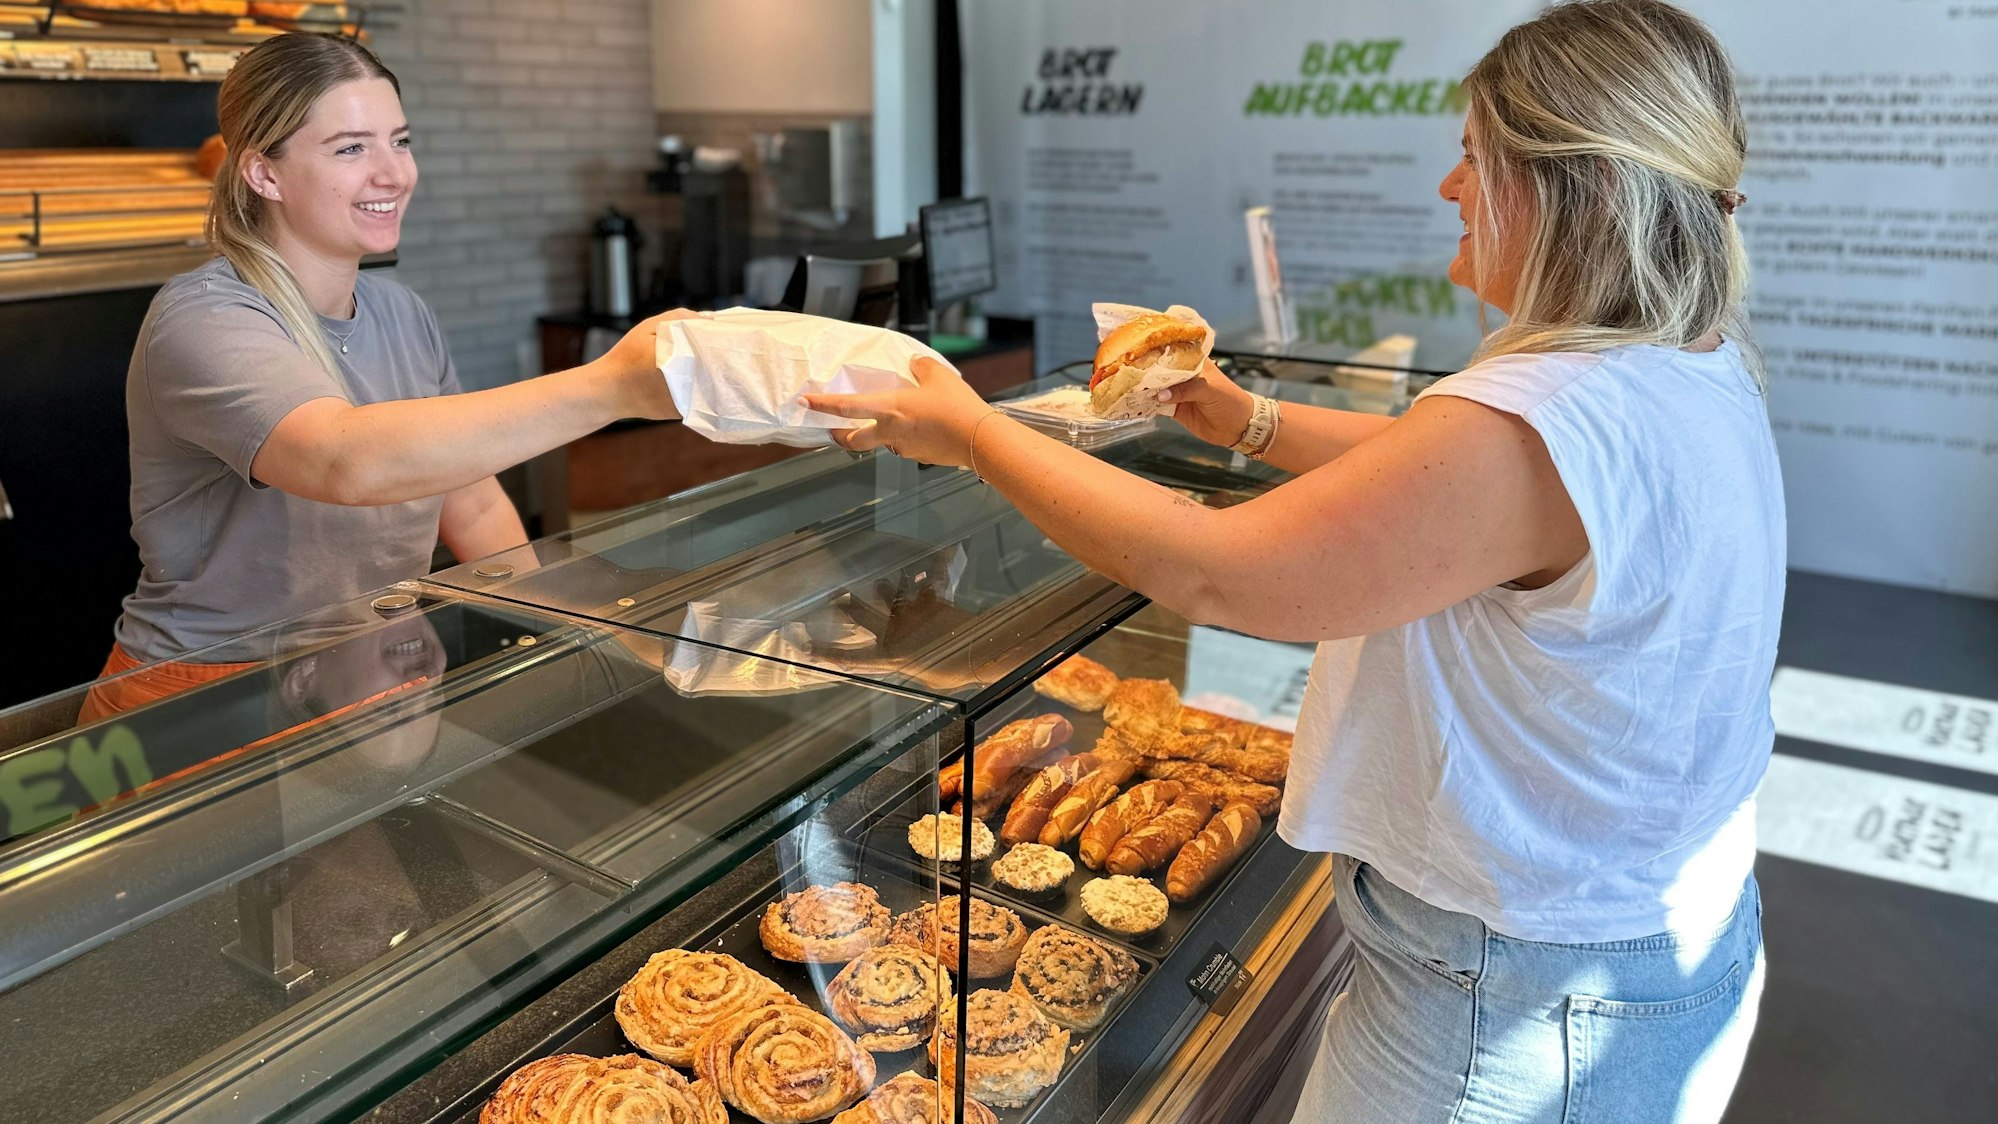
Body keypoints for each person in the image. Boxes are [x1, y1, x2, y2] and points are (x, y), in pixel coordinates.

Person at [800, 2, 1781, 1119]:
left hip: (1514, 1002)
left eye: (1474, 158)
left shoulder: (1544, 412)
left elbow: (1221, 571)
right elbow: (1427, 473)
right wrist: (1245, 420)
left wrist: (975, 433)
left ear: (1580, 188)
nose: (1451, 187)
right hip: (1643, 940)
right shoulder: (1681, 360)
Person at [79, 33, 682, 723]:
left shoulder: (403, 313)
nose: (394, 174)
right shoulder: (205, 318)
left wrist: (570, 626)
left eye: (400, 141)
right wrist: (611, 387)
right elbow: (345, 461)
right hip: (203, 697)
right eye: (351, 148)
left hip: (358, 671)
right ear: (264, 174)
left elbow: (472, 505)